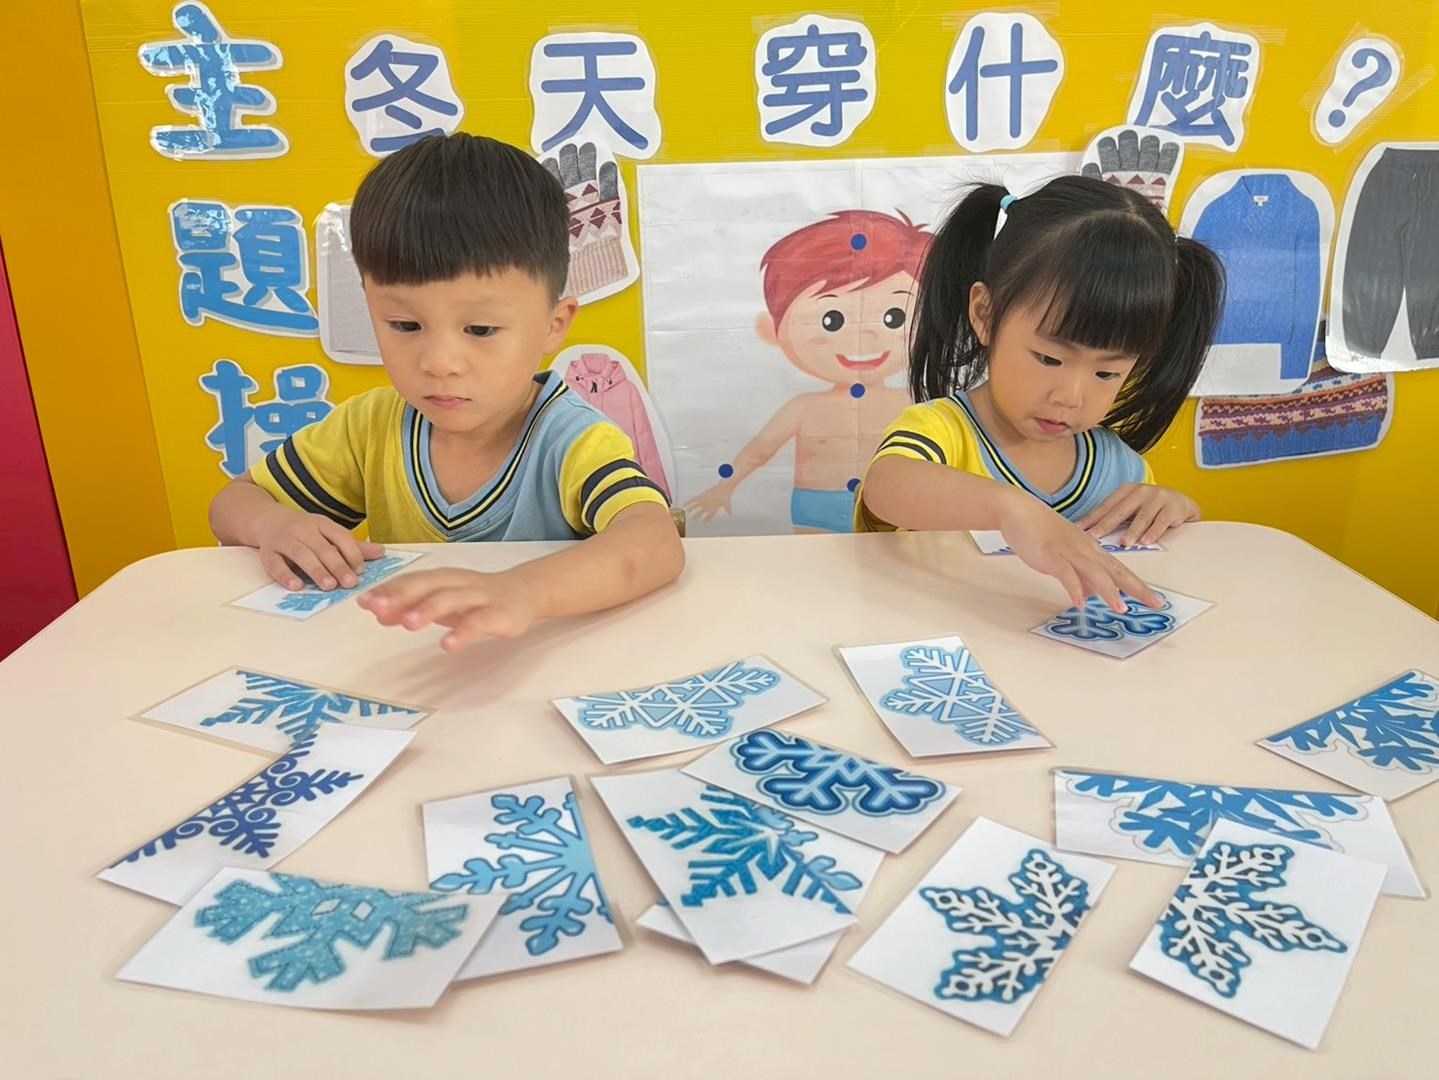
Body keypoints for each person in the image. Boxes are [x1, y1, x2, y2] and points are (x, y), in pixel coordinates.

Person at [209, 133, 683, 649]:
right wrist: (272, 525)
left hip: (546, 662)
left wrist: (523, 591)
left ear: (554, 325)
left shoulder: (570, 439)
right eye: (404, 324)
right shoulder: (368, 428)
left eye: (480, 329)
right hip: (408, 664)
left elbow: (655, 542)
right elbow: (233, 502)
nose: (439, 363)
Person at [855, 176, 1223, 611]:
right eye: (1049, 359)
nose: (1071, 396)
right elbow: (886, 486)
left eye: (1107, 373)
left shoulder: (1121, 472)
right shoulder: (942, 433)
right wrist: (1012, 510)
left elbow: (1155, 565)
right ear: (985, 314)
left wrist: (1174, 510)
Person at [688, 210, 931, 533]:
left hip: (893, 504)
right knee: (814, 564)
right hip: (816, 505)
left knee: (892, 564)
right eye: (832, 320)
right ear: (771, 331)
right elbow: (761, 449)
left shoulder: (915, 400)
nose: (865, 335)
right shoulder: (804, 407)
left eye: (893, 318)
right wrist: (724, 487)